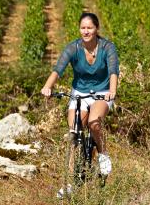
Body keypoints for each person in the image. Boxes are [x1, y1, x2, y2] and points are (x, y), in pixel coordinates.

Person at [41, 12, 119, 187]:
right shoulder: (73, 48)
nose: (86, 31)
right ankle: (68, 183)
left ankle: (103, 154)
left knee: (94, 123)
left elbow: (113, 71)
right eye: (83, 28)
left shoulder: (107, 47)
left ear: (96, 28)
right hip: (79, 93)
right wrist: (48, 86)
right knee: (73, 132)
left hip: (102, 92)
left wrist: (112, 91)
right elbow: (58, 69)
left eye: (89, 28)